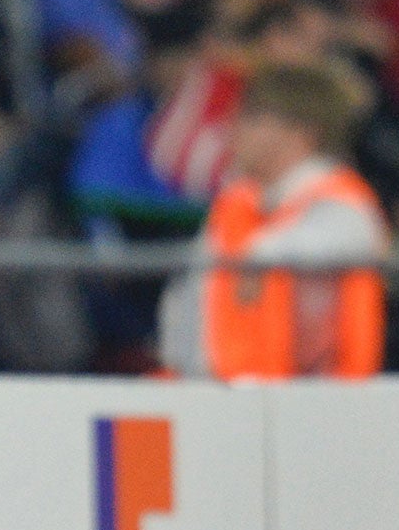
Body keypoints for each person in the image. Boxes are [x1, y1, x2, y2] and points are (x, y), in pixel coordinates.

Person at [159, 61, 387, 379]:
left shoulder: (344, 205)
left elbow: (299, 250)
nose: (232, 127)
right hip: (224, 400)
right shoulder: (236, 202)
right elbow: (189, 301)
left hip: (319, 409)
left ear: (301, 132)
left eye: (252, 118)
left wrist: (258, 258)